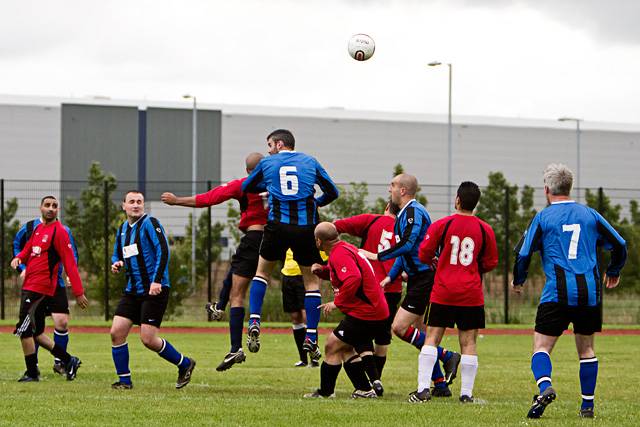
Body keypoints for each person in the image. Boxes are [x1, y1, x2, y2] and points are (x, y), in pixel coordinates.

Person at [512, 164, 627, 419]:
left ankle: (544, 387)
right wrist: (615, 269)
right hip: (589, 292)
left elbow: (523, 253)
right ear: (569, 187)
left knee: (541, 347)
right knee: (586, 349)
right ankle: (587, 406)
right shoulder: (590, 214)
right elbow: (620, 243)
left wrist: (518, 280)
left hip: (557, 293)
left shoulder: (543, 217)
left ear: (546, 190)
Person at [161, 152, 268, 371]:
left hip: (254, 237)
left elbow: (208, 199)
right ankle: (220, 307)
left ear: (248, 171)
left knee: (237, 294)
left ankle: (236, 346)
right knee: (246, 273)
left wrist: (176, 201)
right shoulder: (278, 184)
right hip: (277, 240)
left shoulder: (243, 185)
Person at [241, 129, 339, 359]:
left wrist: (269, 186)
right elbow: (332, 191)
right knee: (311, 282)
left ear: (279, 144)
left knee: (262, 273)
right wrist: (315, 203)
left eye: (269, 144)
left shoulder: (268, 163)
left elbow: (247, 187)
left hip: (277, 225)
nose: (268, 150)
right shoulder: (310, 161)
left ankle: (255, 319)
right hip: (305, 228)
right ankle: (312, 336)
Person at [359, 174, 457, 396]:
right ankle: (440, 385)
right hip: (417, 279)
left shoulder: (413, 212)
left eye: (392, 185)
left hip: (425, 278)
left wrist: (377, 256)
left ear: (403, 190)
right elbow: (406, 252)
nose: (389, 189)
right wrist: (390, 277)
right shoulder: (404, 214)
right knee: (423, 334)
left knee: (399, 328)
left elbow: (407, 245)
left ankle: (447, 356)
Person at [410, 181, 498, 403]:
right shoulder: (484, 229)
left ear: (457, 199)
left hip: (443, 291)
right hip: (471, 293)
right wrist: (473, 269)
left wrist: (438, 263)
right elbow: (490, 262)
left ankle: (423, 390)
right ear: (475, 204)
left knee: (432, 338)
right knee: (468, 343)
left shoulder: (443, 225)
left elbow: (423, 254)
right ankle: (466, 395)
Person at [110, 191, 195, 389]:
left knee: (148, 339)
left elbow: (163, 251)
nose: (136, 205)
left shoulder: (150, 223)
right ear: (124, 206)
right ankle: (124, 382)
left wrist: (156, 281)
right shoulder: (122, 229)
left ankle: (184, 363)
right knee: (116, 332)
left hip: (154, 290)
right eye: (131, 201)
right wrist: (117, 264)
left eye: (139, 202)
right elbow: (117, 255)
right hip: (132, 290)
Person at [334, 201, 420, 385]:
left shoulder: (371, 221)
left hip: (368, 290)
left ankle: (371, 380)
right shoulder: (405, 229)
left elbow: (336, 227)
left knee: (360, 335)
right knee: (382, 337)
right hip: (392, 290)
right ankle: (377, 379)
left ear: (387, 206)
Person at [304, 222, 389, 399]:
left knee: (332, 345)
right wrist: (323, 271)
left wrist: (337, 302)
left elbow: (353, 277)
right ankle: (365, 390)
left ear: (319, 241)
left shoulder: (339, 254)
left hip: (367, 313)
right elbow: (342, 272)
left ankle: (326, 392)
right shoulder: (344, 249)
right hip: (374, 310)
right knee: (345, 349)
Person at [10, 195, 88, 382]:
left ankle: (32, 372)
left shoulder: (59, 232)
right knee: (35, 333)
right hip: (30, 285)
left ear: (57, 210)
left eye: (54, 206)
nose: (51, 208)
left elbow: (70, 263)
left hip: (40, 288)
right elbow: (28, 249)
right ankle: (69, 360)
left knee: (24, 329)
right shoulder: (37, 229)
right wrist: (19, 258)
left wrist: (78, 292)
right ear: (41, 208)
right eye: (47, 205)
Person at [281, 249, 318, 367]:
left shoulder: (309, 233)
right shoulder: (287, 233)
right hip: (287, 275)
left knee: (306, 315)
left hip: (304, 276)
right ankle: (303, 359)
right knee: (295, 317)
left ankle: (314, 356)